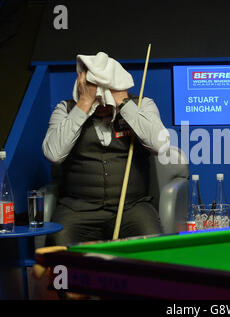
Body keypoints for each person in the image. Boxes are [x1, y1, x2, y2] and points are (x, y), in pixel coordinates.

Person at [43, 52, 170, 245]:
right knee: (58, 251)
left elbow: (161, 145)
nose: (101, 100)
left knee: (155, 248)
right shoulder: (65, 109)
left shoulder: (142, 105)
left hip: (132, 208)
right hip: (77, 210)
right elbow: (53, 153)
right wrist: (84, 103)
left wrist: (123, 103)